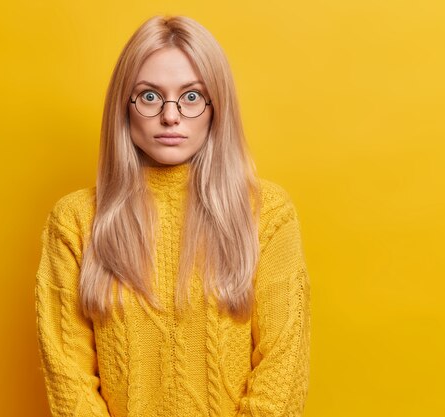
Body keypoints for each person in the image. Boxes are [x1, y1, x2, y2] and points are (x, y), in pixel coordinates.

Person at [35, 15, 311, 417]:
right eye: (149, 96)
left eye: (192, 96)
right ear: (123, 108)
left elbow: (282, 369)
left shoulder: (267, 214)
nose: (170, 115)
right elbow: (68, 378)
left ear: (218, 107)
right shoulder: (75, 221)